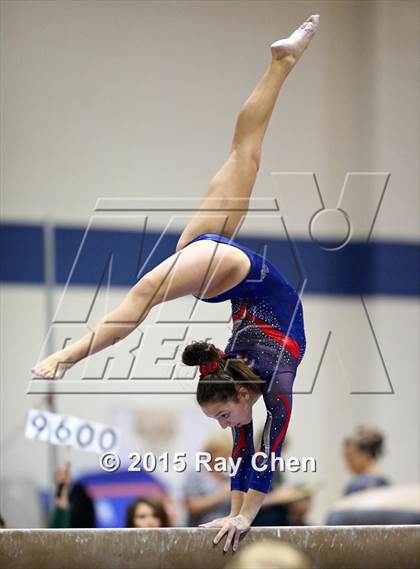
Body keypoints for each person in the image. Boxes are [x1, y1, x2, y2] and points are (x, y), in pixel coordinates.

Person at [32, 14, 320, 550]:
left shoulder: (258, 390)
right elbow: (256, 454)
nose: (228, 423)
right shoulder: (259, 391)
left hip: (228, 272)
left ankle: (70, 354)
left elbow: (255, 455)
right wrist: (237, 517)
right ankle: (283, 61)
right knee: (245, 155)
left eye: (224, 414)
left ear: (234, 392)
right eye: (224, 416)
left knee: (141, 300)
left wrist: (244, 516)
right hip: (229, 271)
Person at [183, 430, 231, 526]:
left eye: (226, 454)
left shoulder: (229, 476)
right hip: (200, 527)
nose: (223, 458)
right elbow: (191, 505)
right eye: (219, 453)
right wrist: (221, 495)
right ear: (210, 452)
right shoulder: (196, 475)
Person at [343, 425, 390, 495]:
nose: (347, 463)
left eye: (350, 457)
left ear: (365, 455)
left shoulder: (356, 486)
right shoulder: (385, 484)